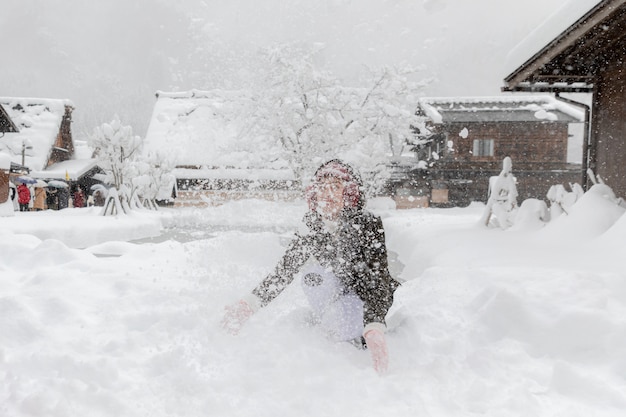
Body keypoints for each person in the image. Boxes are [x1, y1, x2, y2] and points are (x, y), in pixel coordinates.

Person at [221, 159, 400, 373]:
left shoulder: (367, 224)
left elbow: (377, 281)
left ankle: (351, 336)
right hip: (334, 293)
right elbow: (285, 270)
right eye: (322, 187)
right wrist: (248, 305)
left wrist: (374, 326)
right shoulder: (312, 223)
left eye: (336, 187)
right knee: (313, 276)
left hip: (364, 297)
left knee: (342, 322)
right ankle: (331, 324)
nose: (328, 194)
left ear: (349, 193)